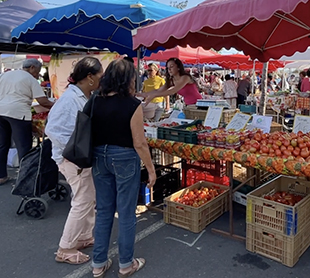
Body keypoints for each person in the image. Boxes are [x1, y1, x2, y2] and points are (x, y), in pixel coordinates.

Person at [89, 59, 156, 278]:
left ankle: (98, 263)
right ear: (129, 80)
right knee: (126, 212)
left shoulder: (94, 101)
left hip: (99, 157)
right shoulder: (132, 104)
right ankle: (126, 264)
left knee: (104, 211)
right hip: (124, 157)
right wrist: (151, 169)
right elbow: (139, 142)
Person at [45, 57, 104, 265]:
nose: (101, 80)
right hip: (73, 158)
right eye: (99, 76)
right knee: (82, 200)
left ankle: (84, 235)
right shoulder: (70, 98)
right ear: (89, 77)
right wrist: (75, 147)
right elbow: (52, 129)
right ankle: (65, 247)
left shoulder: (82, 96)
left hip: (78, 157)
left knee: (88, 198)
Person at [0, 59, 54, 186]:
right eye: (37, 72)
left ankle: (1, 176)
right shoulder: (31, 79)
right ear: (32, 67)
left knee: (0, 145)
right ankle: (25, 178)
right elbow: (43, 101)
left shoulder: (6, 74)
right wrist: (57, 106)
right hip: (18, 113)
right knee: (23, 146)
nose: (38, 75)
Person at [138, 57, 202, 107]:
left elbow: (172, 91)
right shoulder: (172, 81)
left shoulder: (185, 77)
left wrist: (154, 95)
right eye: (168, 68)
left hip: (198, 104)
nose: (169, 70)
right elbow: (158, 90)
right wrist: (143, 94)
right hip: (188, 105)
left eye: (171, 67)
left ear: (178, 68)